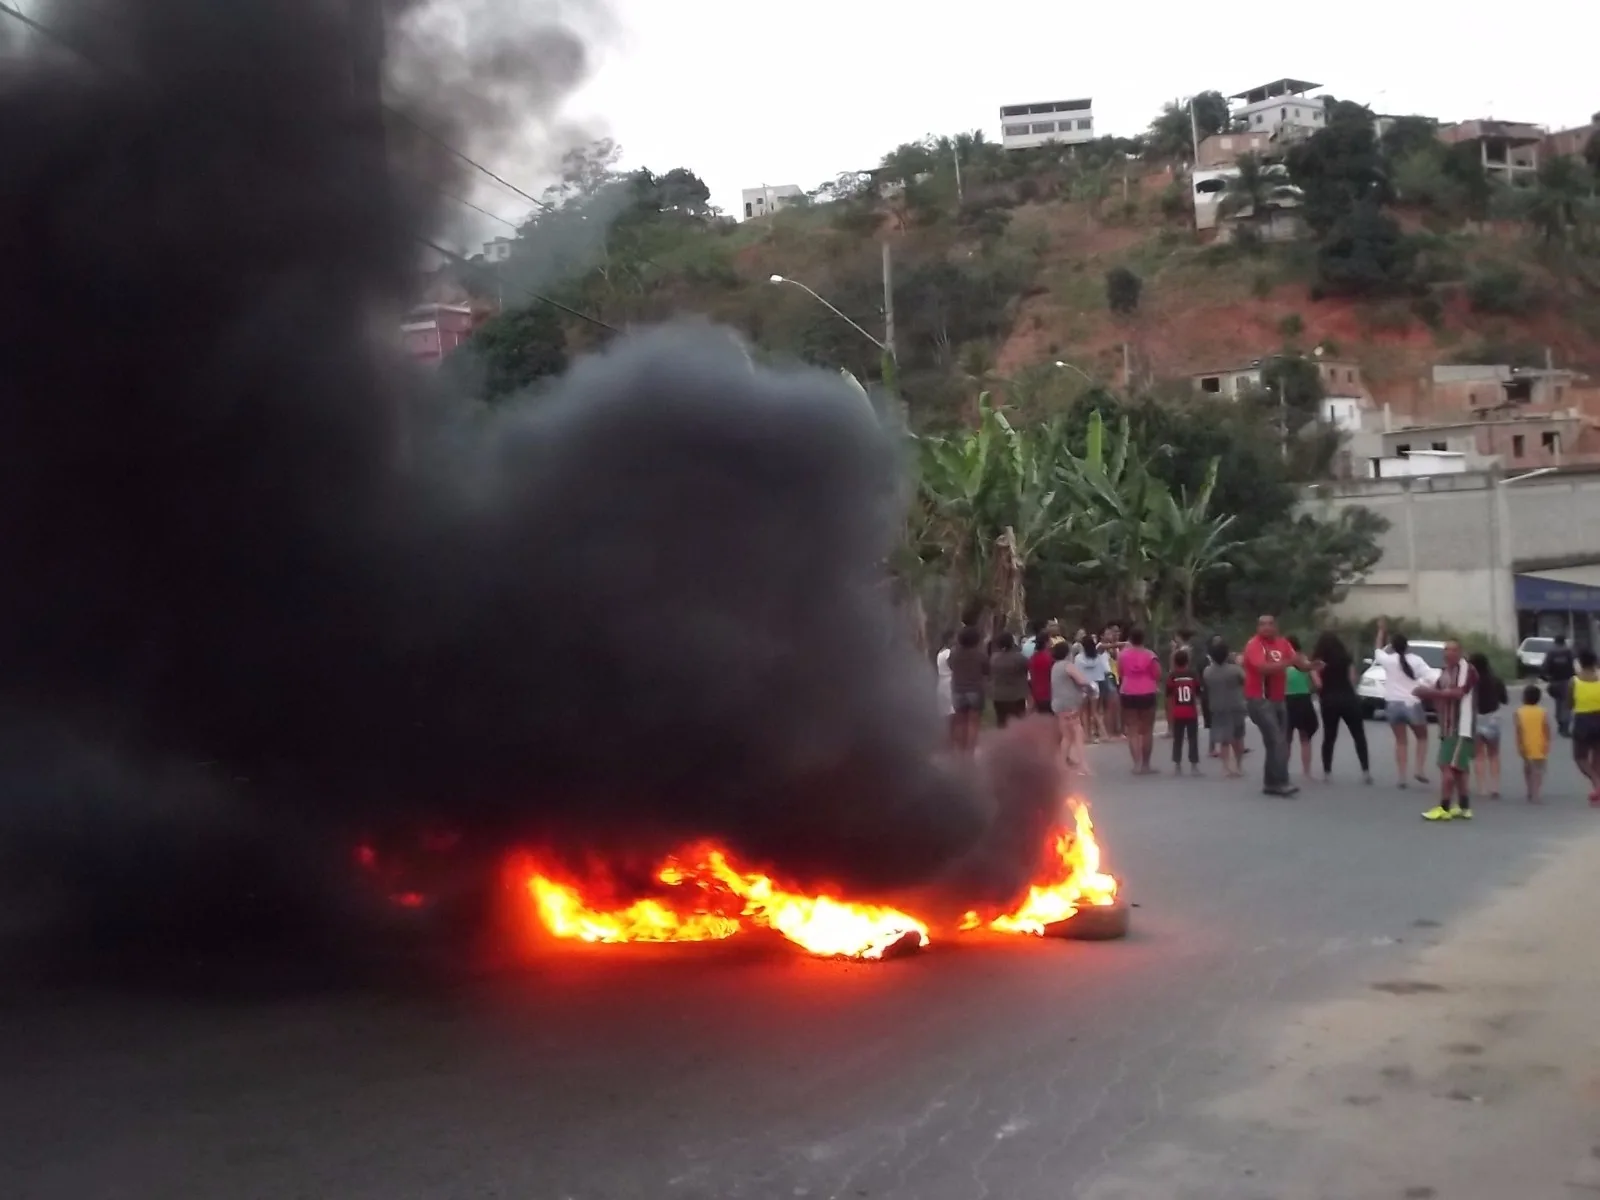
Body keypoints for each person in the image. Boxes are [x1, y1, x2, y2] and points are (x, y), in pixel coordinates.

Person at [1243, 614, 1314, 797]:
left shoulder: (1283, 643)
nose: (1266, 627)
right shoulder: (1254, 645)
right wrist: (1287, 663)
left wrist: (1310, 666)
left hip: (1278, 699)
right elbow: (1262, 668)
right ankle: (1281, 782)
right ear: (1258, 627)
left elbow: (1298, 662)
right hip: (1259, 700)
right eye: (1262, 624)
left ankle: (1271, 782)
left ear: (1276, 626)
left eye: (1270, 624)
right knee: (1278, 740)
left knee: (1274, 741)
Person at [1417, 640, 1477, 822]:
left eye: (1452, 649)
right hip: (1446, 724)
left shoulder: (1466, 669)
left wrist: (1430, 694)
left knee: (1446, 766)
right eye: (1446, 649)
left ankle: (1444, 807)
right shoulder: (1445, 671)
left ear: (1460, 652)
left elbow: (1459, 693)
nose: (1448, 653)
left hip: (1459, 726)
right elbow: (1438, 689)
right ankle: (1464, 807)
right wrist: (1425, 692)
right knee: (1459, 769)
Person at [1374, 618, 1435, 788]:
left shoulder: (1388, 660)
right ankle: (1419, 769)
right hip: (1412, 703)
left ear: (1392, 646)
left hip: (1393, 704)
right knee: (1422, 737)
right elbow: (1431, 677)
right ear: (1407, 645)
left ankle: (1401, 777)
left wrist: (1381, 631)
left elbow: (1378, 650)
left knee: (1401, 741)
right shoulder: (1416, 660)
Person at [1312, 630, 1371, 784]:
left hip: (1329, 699)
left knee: (1329, 736)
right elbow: (1352, 678)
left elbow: (1317, 682)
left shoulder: (1318, 660)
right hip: (1348, 698)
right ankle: (1365, 771)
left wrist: (1321, 688)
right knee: (1358, 735)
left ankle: (1327, 772)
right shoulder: (1346, 657)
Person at [1116, 627, 1162, 775]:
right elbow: (1157, 674)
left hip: (1128, 691)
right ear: (1143, 639)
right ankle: (1146, 765)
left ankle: (1136, 764)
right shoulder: (1150, 655)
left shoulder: (1122, 655)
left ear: (1130, 639)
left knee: (1133, 729)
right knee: (1147, 729)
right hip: (1147, 691)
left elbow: (1120, 672)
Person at [1204, 640, 1247, 778]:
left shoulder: (1208, 671)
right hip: (1236, 705)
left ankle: (1225, 767)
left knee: (1224, 739)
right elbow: (1244, 680)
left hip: (1218, 707)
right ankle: (1238, 766)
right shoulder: (1235, 670)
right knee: (1238, 737)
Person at [1469, 652, 1508, 801]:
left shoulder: (1471, 682)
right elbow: (1504, 700)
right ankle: (1495, 787)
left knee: (1479, 755)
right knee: (1494, 754)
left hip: (1476, 717)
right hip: (1493, 718)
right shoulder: (1496, 680)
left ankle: (1481, 788)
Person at [1051, 640, 1093, 774]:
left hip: (1058, 704)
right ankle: (1083, 765)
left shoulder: (1055, 666)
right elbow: (1082, 680)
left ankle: (1062, 765)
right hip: (1070, 704)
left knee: (1067, 736)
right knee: (1078, 732)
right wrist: (1090, 688)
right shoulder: (1068, 665)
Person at [1284, 634, 1320, 783]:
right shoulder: (1305, 661)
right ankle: (1307, 772)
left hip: (1286, 700)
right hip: (1303, 700)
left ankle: (1283, 771)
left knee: (1286, 739)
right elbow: (1318, 684)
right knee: (1305, 738)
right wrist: (1308, 690)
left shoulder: (1282, 662)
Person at [947, 624, 988, 756]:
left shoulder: (954, 654)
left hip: (958, 689)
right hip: (975, 690)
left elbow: (950, 666)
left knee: (960, 722)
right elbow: (987, 670)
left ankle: (960, 751)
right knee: (973, 723)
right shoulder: (980, 654)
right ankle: (970, 753)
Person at [1166, 648, 1202, 775]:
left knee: (1178, 738)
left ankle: (1177, 764)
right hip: (1191, 711)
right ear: (1188, 661)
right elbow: (1198, 691)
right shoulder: (1192, 674)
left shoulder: (1172, 676)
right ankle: (1194, 766)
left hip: (1177, 712)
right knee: (1193, 738)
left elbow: (1169, 695)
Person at [1571, 649, 1600, 804]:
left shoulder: (1574, 681)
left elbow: (1569, 703)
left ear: (1580, 663)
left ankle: (1597, 783)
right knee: (1597, 756)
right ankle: (1597, 790)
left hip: (1583, 720)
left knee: (1580, 757)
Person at [1515, 683, 1550, 804]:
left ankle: (1529, 789)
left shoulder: (1519, 712)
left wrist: (1519, 744)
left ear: (1524, 697)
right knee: (1538, 770)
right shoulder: (1542, 712)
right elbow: (1546, 728)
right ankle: (1537, 792)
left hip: (1526, 744)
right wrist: (1547, 742)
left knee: (1528, 768)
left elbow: (1518, 730)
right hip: (1540, 744)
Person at [989, 633, 1031, 729]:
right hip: (1016, 695)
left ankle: (1002, 741)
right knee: (1017, 722)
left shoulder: (994, 658)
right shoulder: (1019, 658)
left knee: (1001, 721)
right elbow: (1027, 669)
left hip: (998, 695)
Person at [1075, 634, 1109, 743]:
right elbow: (1102, 672)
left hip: (1084, 686)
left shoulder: (1079, 658)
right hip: (1095, 685)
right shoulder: (1097, 657)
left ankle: (1087, 735)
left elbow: (1077, 672)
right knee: (1095, 712)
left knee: (1085, 712)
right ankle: (1104, 733)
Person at [1545, 634, 1576, 737]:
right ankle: (1565, 727)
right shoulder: (1568, 652)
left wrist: (1547, 678)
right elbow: (1574, 666)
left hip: (1554, 681)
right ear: (1564, 641)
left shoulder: (1551, 652)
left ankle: (1560, 723)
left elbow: (1545, 667)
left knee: (1558, 703)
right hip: (1567, 681)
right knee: (1566, 704)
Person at [1028, 633, 1056, 719]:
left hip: (1036, 694)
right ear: (1046, 642)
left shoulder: (1032, 658)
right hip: (1050, 694)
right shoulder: (1051, 658)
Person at [934, 629, 955, 741]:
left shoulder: (940, 653)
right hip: (949, 684)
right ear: (949, 640)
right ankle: (951, 739)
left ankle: (945, 738)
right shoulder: (949, 654)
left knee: (945, 713)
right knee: (952, 713)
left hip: (941, 683)